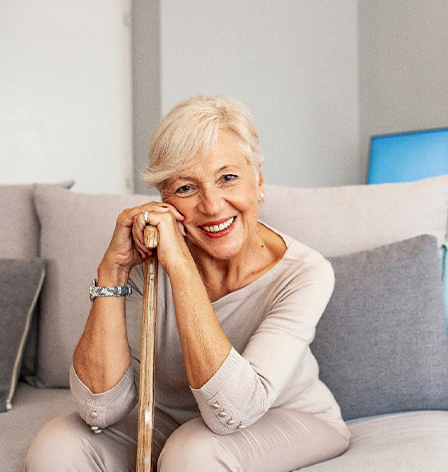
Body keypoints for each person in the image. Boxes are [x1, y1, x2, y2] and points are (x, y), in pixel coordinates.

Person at [26, 95, 350, 471]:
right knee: (58, 444)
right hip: (171, 420)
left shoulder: (305, 272)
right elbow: (99, 409)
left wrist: (180, 266)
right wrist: (113, 269)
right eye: (186, 188)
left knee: (191, 453)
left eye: (228, 177)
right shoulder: (143, 263)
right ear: (163, 201)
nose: (212, 206)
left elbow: (232, 412)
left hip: (285, 417)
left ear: (258, 181)